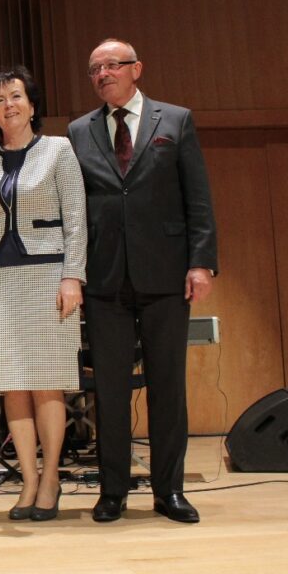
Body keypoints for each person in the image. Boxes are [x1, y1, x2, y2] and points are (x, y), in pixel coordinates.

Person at [66, 38, 218, 524]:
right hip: (105, 277)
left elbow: (198, 197)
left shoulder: (174, 120)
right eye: (95, 68)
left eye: (112, 65)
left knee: (167, 387)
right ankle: (112, 491)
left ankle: (169, 491)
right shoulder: (78, 131)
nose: (103, 73)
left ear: (137, 69)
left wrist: (201, 262)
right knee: (108, 389)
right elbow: (76, 206)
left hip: (166, 272)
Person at [0, 66, 87, 521]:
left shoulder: (59, 150)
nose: (9, 105)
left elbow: (76, 217)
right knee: (11, 384)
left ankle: (51, 477)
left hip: (47, 275)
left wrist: (73, 276)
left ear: (32, 103)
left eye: (16, 96)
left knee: (46, 383)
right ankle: (28, 479)